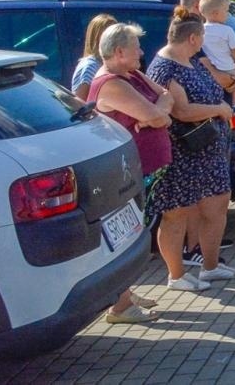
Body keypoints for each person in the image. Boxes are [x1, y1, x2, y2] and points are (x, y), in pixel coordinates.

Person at [145, 10, 235, 291]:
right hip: (183, 153)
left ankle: (210, 267)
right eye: (202, 36)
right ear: (192, 38)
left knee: (218, 202)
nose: (204, 41)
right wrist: (218, 109)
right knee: (177, 213)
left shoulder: (191, 61)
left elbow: (218, 85)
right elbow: (181, 111)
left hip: (209, 150)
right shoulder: (165, 68)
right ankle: (176, 275)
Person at [89, 21, 172, 324]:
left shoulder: (131, 74)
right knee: (126, 235)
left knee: (136, 229)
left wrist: (157, 115)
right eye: (136, 48)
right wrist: (156, 116)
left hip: (144, 168)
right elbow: (157, 114)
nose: (141, 52)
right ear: (119, 52)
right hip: (128, 173)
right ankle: (120, 305)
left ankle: (125, 293)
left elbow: (166, 97)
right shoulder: (111, 83)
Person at [195, 0, 235, 92]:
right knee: (234, 86)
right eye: (226, 11)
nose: (228, 14)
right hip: (226, 67)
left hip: (209, 68)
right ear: (216, 13)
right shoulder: (227, 30)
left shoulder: (200, 30)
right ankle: (234, 100)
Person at [70, 12, 117, 95]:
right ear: (97, 38)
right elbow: (79, 100)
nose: (116, 40)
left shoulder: (106, 64)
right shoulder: (90, 66)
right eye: (111, 37)